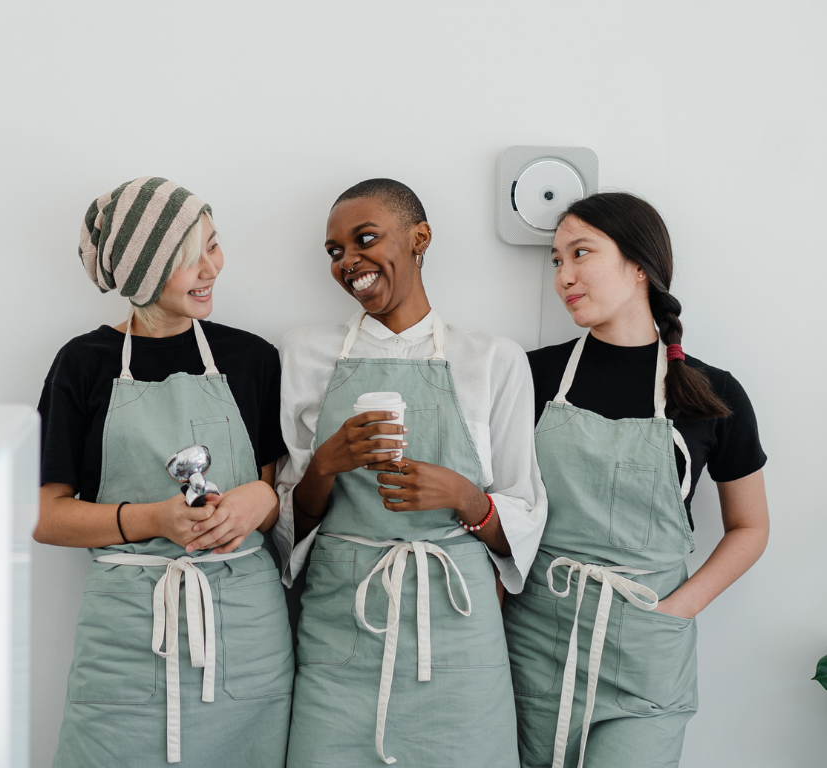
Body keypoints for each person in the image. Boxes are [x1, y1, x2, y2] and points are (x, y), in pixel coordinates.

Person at [276, 178, 546, 767]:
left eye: (364, 239)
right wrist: (328, 462)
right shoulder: (304, 353)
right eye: (335, 251)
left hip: (457, 630)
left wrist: (464, 498)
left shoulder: (493, 359)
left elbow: (524, 516)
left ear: (420, 238)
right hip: (340, 631)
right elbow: (286, 525)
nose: (349, 261)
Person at [35, 177, 294, 767]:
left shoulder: (252, 359)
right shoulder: (82, 364)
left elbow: (279, 491)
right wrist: (154, 519)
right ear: (144, 273)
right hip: (126, 636)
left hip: (243, 631)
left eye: (214, 244)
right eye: (189, 257)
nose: (213, 267)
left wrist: (261, 499)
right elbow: (47, 515)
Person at [505, 192, 769, 768]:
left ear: (640, 264)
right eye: (556, 261)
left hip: (647, 652)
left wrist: (677, 609)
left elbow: (750, 527)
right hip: (535, 643)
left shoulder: (712, 392)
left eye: (580, 254)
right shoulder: (530, 374)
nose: (563, 277)